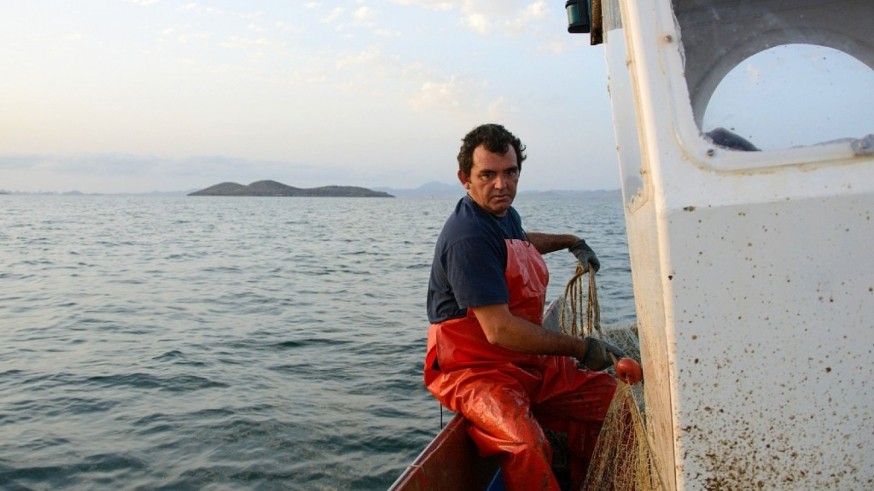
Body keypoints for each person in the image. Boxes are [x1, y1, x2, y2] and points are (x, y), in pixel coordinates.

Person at [424, 123, 625, 490]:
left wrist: (571, 241)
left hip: (525, 360)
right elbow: (499, 330)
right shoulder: (467, 237)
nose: (501, 185)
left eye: (510, 172)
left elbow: (519, 241)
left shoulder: (502, 215)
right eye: (487, 175)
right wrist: (583, 348)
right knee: (526, 444)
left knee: (616, 405)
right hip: (477, 370)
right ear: (464, 178)